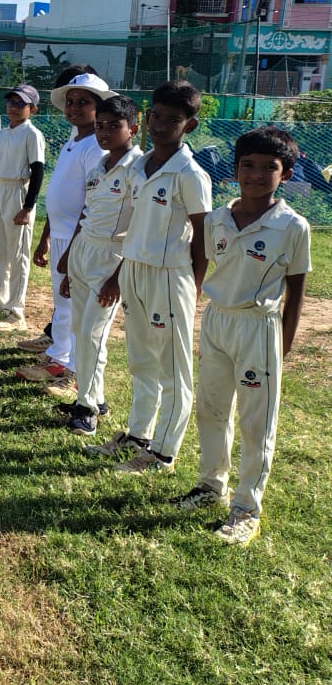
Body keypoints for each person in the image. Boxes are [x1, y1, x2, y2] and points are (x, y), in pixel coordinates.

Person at [171, 126, 309, 545]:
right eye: (247, 165)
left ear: (284, 175)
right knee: (211, 409)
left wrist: (281, 344)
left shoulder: (293, 226)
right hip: (217, 322)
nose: (256, 175)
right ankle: (210, 485)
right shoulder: (216, 219)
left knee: (256, 421)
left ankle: (246, 507)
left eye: (269, 167)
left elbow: (297, 289)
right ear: (234, 171)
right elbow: (216, 267)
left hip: (258, 327)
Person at [103, 80, 212, 474]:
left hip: (170, 277)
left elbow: (203, 235)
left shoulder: (192, 174)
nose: (162, 125)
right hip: (134, 270)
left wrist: (195, 285)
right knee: (141, 360)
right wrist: (119, 272)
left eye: (174, 119)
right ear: (147, 118)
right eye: (157, 117)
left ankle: (163, 452)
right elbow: (135, 227)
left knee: (172, 369)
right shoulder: (138, 165)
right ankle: (138, 434)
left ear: (190, 125)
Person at [16, 72, 112, 391]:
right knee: (62, 299)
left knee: (74, 304)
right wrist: (46, 237)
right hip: (60, 235)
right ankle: (57, 356)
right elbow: (60, 193)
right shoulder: (74, 140)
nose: (74, 108)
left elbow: (90, 202)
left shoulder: (97, 147)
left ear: (100, 107)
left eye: (83, 102)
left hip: (79, 239)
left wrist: (72, 246)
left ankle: (70, 368)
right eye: (70, 102)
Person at [56, 95, 141, 438]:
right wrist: (69, 257)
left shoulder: (137, 170)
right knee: (82, 332)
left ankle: (87, 408)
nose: (105, 133)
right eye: (100, 126)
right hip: (83, 254)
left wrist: (118, 277)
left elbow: (138, 228)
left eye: (114, 127)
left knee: (93, 334)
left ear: (132, 129)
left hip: (111, 259)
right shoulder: (99, 167)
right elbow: (87, 215)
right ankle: (96, 397)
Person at [0, 83, 44, 331]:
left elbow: (37, 171)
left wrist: (27, 207)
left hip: (18, 190)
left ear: (32, 109)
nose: (13, 108)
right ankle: (0, 304)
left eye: (20, 104)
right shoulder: (2, 134)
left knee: (18, 255)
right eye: (11, 102)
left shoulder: (32, 134)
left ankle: (16, 311)